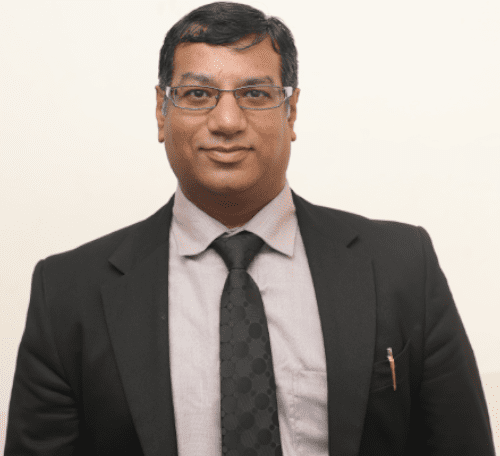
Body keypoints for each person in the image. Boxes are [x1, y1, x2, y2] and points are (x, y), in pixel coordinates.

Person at [5, 2, 496, 455]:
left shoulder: (401, 267)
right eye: (198, 94)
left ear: (291, 111)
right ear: (161, 111)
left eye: (255, 94)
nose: (226, 121)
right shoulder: (67, 294)